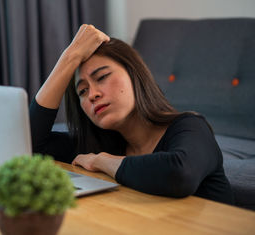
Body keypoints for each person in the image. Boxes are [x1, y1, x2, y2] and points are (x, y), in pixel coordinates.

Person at [29, 24, 234, 204]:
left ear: (134, 75)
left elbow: (179, 175)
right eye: (82, 91)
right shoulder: (102, 143)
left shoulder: (191, 126)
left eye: (102, 77)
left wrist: (102, 161)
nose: (92, 94)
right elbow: (29, 146)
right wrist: (69, 57)